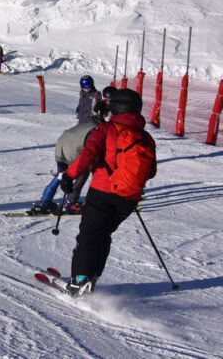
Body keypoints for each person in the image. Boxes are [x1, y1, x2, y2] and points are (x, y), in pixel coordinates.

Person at [60, 87, 156, 296]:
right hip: (129, 198)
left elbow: (87, 155)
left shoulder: (106, 129)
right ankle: (92, 276)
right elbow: (151, 172)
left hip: (103, 192)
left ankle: (79, 280)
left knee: (89, 235)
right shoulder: (146, 137)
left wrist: (69, 176)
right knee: (103, 234)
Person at [26, 89, 113, 215]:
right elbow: (90, 149)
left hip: (61, 146)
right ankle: (71, 203)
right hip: (73, 149)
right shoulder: (97, 128)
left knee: (61, 175)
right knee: (83, 171)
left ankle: (45, 202)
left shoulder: (88, 121)